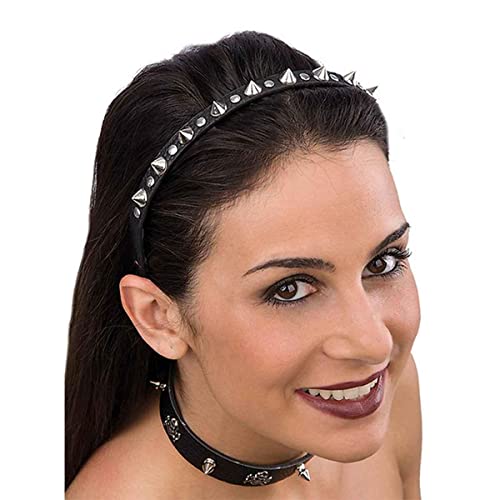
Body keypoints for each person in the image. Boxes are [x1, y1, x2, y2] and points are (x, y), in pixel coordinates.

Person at [65, 30, 422, 499]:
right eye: (290, 289)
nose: (374, 343)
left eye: (383, 262)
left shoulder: (373, 394)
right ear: (159, 316)